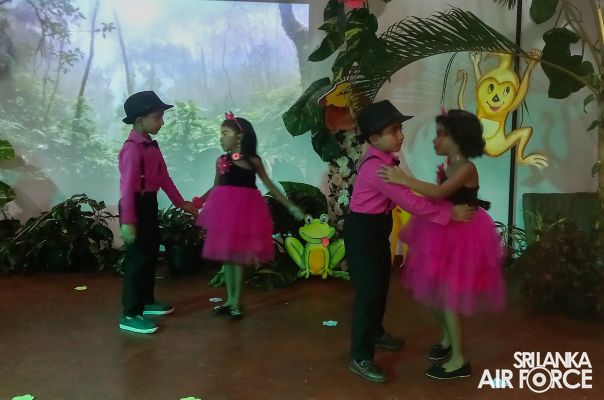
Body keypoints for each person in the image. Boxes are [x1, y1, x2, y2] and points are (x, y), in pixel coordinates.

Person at [345, 100, 475, 383]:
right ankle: (360, 355)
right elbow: (409, 202)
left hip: (376, 228)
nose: (401, 135)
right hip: (363, 231)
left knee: (380, 283)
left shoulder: (385, 161)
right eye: (394, 130)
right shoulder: (377, 169)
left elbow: (406, 195)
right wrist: (448, 213)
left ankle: (376, 332)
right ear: (374, 139)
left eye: (400, 128)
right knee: (369, 292)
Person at [378, 109, 505, 379]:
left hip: (462, 235)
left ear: (457, 138)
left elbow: (440, 192)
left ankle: (459, 361)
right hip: (442, 228)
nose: (435, 140)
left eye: (440, 135)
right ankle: (448, 338)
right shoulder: (450, 165)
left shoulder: (466, 168)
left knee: (447, 298)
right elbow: (441, 197)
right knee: (433, 292)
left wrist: (403, 179)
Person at [196, 112, 304, 320]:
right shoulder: (221, 161)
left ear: (239, 137)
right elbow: (216, 187)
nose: (221, 138)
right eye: (221, 133)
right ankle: (229, 300)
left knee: (236, 259)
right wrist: (199, 202)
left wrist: (291, 206)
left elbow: (270, 185)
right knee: (228, 260)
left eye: (225, 133)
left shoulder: (254, 161)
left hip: (245, 215)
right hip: (225, 215)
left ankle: (236, 302)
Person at [118, 90, 197, 334]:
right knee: (137, 260)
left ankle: (147, 301)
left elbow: (164, 178)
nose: (162, 122)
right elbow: (126, 188)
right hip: (135, 205)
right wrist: (128, 221)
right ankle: (130, 313)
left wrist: (181, 203)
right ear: (140, 120)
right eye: (158, 117)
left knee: (150, 254)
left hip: (149, 203)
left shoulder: (152, 146)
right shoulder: (132, 149)